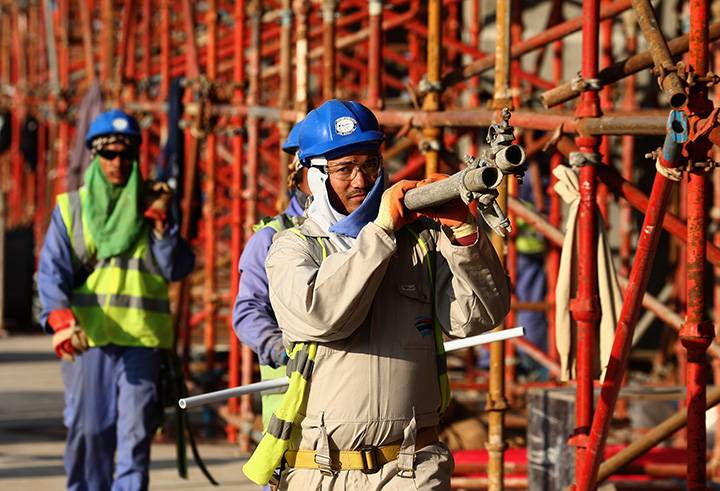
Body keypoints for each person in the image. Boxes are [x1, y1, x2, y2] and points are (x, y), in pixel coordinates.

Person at [243, 99, 511, 489]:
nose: (361, 180)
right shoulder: (291, 246)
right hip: (323, 472)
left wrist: (464, 233)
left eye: (369, 165)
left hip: (412, 468)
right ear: (316, 177)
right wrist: (381, 232)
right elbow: (322, 317)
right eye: (344, 169)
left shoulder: (419, 241)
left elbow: (474, 318)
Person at [37, 108, 195, 491]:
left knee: (134, 438)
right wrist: (59, 320)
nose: (118, 162)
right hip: (88, 340)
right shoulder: (72, 209)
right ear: (94, 155)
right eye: (109, 153)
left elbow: (175, 268)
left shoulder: (154, 203)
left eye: (126, 154)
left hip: (141, 343)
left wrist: (163, 230)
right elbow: (51, 270)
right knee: (89, 432)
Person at [232, 119, 311, 429]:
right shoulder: (271, 238)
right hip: (291, 412)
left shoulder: (370, 235)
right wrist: (281, 349)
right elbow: (247, 311)